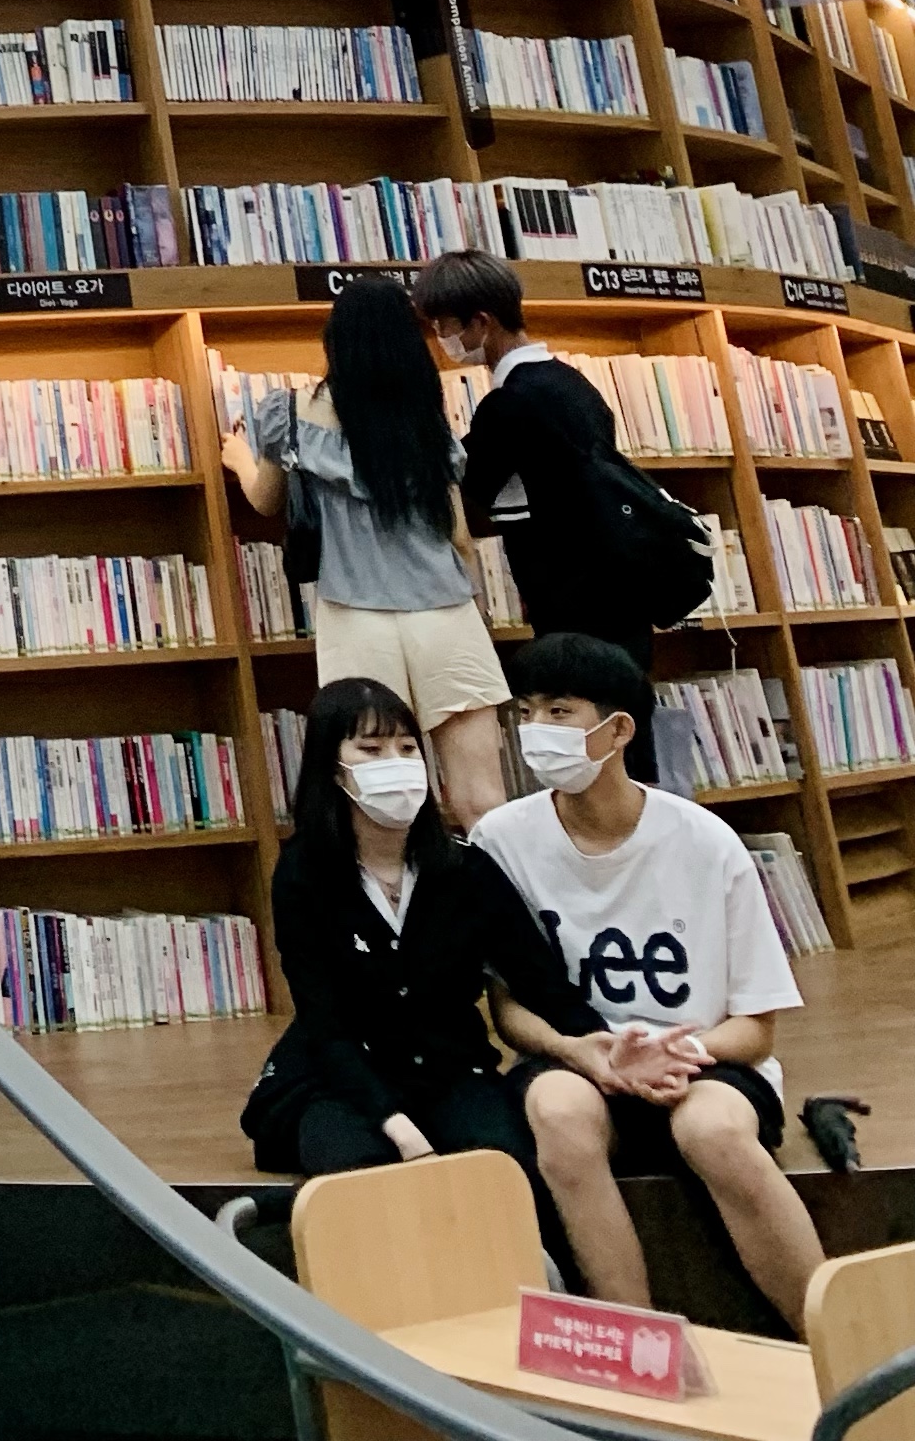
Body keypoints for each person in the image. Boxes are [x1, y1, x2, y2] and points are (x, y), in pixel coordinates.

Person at [478, 635, 825, 1332]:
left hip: (701, 1066)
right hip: (578, 1061)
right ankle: (633, 1349)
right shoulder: (499, 839)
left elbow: (756, 1028)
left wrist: (673, 1056)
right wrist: (584, 1053)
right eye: (526, 712)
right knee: (559, 1116)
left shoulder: (706, 842)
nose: (536, 730)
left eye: (560, 711)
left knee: (716, 1132)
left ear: (619, 729)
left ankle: (837, 1341)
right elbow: (509, 1010)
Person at [246, 678, 594, 1201]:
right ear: (332, 767)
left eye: (407, 748)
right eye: (370, 748)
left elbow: (540, 979)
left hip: (450, 1071)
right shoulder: (303, 875)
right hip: (342, 1078)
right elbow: (324, 1020)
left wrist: (603, 1045)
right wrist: (396, 1125)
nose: (396, 761)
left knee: (505, 1171)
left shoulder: (466, 868)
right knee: (358, 1179)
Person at [223, 278, 512, 826]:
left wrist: (239, 455)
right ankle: (495, 906)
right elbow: (457, 536)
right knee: (481, 801)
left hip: (356, 615)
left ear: (335, 341)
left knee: (380, 800)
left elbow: (266, 501)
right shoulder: (426, 420)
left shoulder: (291, 411)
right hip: (444, 612)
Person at [412, 252, 650, 689]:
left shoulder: (512, 403)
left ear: (481, 322)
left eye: (444, 324)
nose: (440, 337)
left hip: (571, 600)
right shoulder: (573, 383)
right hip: (620, 591)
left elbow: (462, 491)